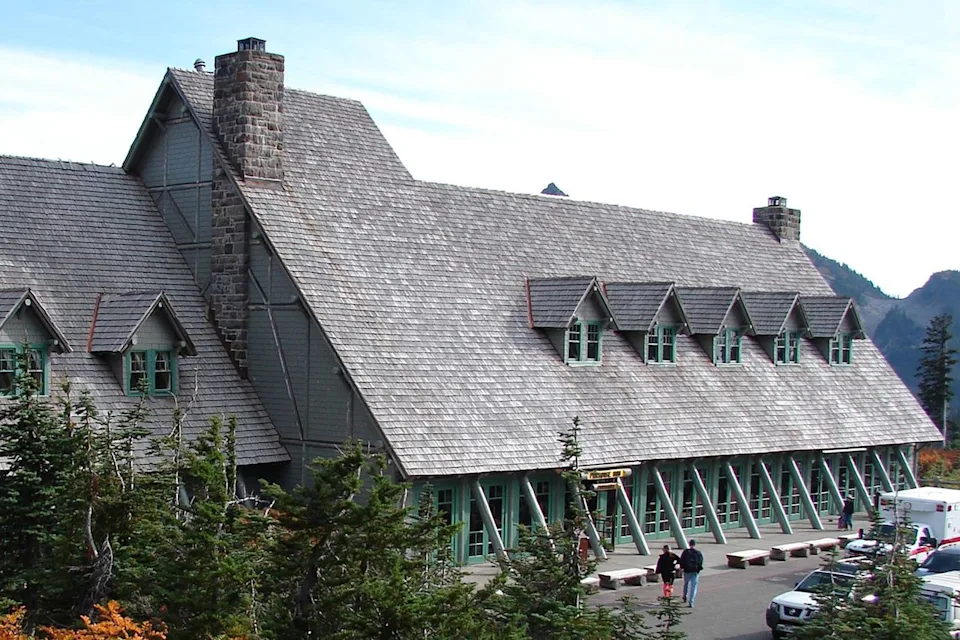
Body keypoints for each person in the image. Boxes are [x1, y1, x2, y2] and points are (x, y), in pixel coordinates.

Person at [679, 539, 704, 608]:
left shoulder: (685, 552)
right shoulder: (698, 553)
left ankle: (685, 596)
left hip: (687, 570)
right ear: (695, 544)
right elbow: (701, 561)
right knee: (694, 586)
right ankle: (691, 601)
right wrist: (698, 569)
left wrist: (681, 568)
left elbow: (682, 561)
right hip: (695, 571)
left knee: (686, 584)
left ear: (689, 544)